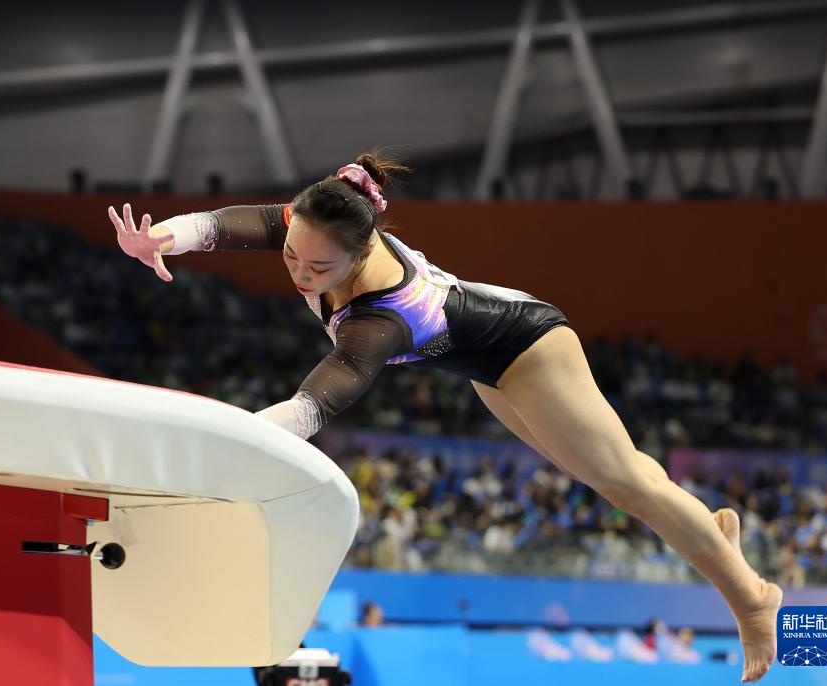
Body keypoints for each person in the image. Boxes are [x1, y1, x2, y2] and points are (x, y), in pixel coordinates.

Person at [109, 151, 782, 682]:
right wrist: (162, 238)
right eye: (291, 255)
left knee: (627, 485)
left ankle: (753, 601)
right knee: (615, 475)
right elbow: (228, 225)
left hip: (527, 347)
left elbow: (318, 403)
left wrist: (234, 439)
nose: (300, 274)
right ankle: (708, 529)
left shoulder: (383, 316)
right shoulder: (317, 223)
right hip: (484, 361)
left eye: (319, 267)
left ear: (361, 254)